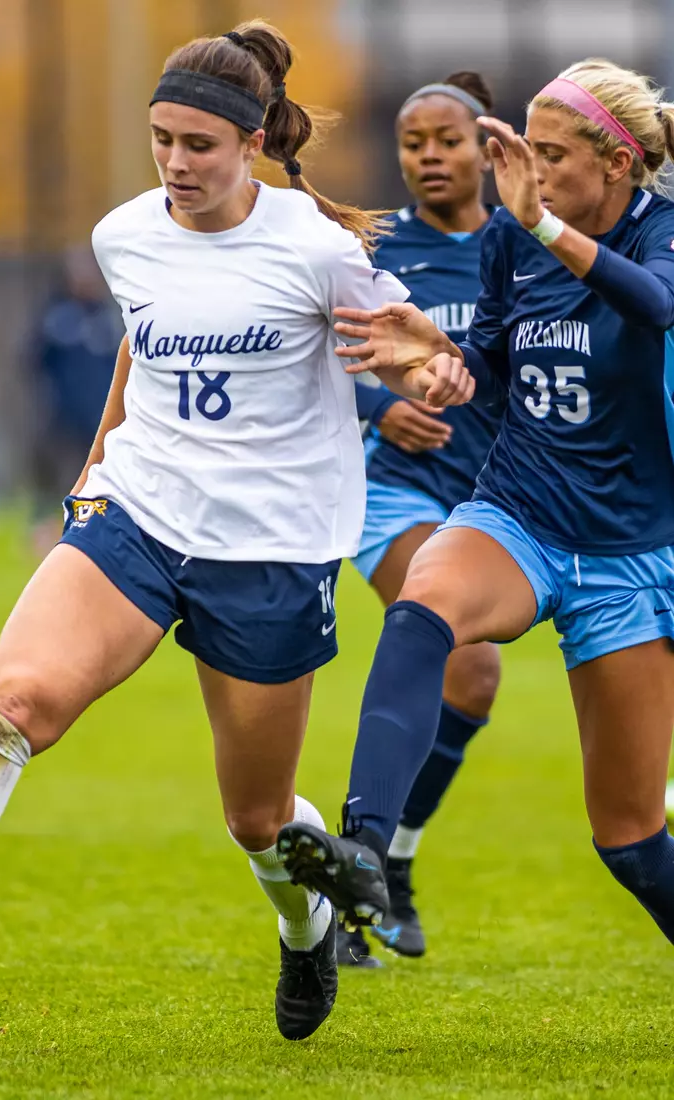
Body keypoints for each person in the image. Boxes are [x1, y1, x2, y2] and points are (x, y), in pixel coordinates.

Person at [0, 21, 471, 1041]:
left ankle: (305, 926)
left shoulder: (316, 249)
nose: (175, 163)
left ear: (248, 142)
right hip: (136, 515)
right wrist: (87, 480)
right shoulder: (123, 234)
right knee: (14, 703)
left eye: (198, 144)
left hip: (270, 552)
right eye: (160, 139)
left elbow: (406, 358)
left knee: (256, 817)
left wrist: (432, 370)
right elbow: (138, 359)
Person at [277, 60, 674, 955]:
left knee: (632, 841)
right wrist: (449, 366)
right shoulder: (510, 240)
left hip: (632, 557)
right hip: (519, 512)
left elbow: (658, 307)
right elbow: (496, 363)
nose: (527, 170)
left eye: (549, 153)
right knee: (422, 613)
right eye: (524, 150)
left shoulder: (659, 232)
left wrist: (540, 222)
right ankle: (365, 853)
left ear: (615, 163)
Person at [339, 72, 503, 968]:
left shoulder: (520, 246)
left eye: (446, 139)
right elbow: (319, 352)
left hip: (499, 496)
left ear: (486, 146)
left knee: (474, 689)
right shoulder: (377, 249)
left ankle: (381, 861)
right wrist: (377, 408)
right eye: (413, 142)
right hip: (397, 492)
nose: (429, 157)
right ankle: (367, 856)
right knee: (461, 659)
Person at [28, 247, 122, 558]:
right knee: (52, 473)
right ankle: (43, 531)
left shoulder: (106, 318)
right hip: (62, 414)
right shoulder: (56, 317)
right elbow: (32, 360)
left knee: (97, 476)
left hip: (99, 415)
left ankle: (91, 531)